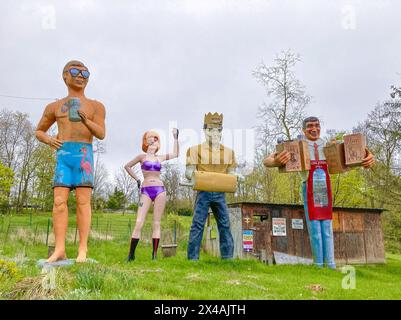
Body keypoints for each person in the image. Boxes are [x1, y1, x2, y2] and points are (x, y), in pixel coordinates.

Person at [263, 116, 375, 269]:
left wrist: (367, 157)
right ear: (304, 129)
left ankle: (330, 264)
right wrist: (276, 161)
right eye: (310, 126)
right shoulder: (295, 146)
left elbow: (352, 157)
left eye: (317, 125)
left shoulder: (329, 146)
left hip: (325, 188)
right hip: (309, 187)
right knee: (314, 227)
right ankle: (318, 264)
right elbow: (267, 161)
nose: (314, 129)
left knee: (327, 227)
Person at [35, 60, 106, 263]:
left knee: (83, 202)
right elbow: (39, 130)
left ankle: (82, 249)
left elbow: (101, 133)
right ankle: (59, 249)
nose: (80, 76)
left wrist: (86, 120)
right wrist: (49, 139)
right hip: (64, 156)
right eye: (75, 71)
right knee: (59, 202)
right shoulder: (55, 106)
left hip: (84, 154)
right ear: (65, 76)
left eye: (85, 73)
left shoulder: (96, 106)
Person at [185, 112, 237, 260]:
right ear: (205, 130)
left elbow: (232, 172)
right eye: (211, 129)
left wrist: (235, 177)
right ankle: (193, 258)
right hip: (203, 191)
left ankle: (228, 258)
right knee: (198, 224)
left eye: (218, 130)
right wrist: (196, 175)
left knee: (225, 224)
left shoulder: (229, 152)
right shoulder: (194, 150)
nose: (215, 133)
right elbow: (189, 172)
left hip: (220, 193)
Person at [125, 128, 179, 261]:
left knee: (156, 222)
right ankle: (131, 255)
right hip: (146, 190)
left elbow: (176, 154)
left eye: (156, 139)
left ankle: (154, 256)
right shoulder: (141, 157)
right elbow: (127, 166)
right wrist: (137, 179)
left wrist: (176, 138)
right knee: (139, 221)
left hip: (160, 190)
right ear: (146, 141)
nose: (154, 141)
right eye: (152, 138)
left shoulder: (159, 158)